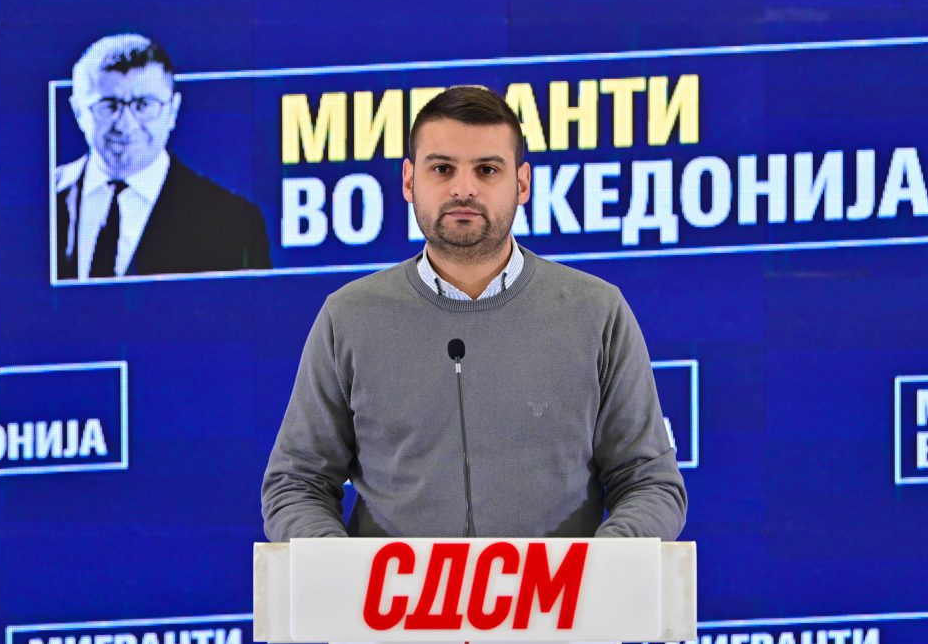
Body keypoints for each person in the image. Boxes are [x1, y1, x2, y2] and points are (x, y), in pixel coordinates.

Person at [261, 86, 686, 540]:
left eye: (487, 169)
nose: (463, 188)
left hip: (562, 589)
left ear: (522, 184)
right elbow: (296, 485)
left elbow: (649, 483)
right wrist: (340, 567)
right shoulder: (349, 317)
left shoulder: (596, 312)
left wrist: (596, 567)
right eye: (442, 169)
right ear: (409, 181)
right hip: (391, 589)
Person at [55, 34, 271, 281]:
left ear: (173, 111)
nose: (125, 125)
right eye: (108, 106)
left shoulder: (231, 222)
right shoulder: (41, 200)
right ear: (78, 111)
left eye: (143, 105)